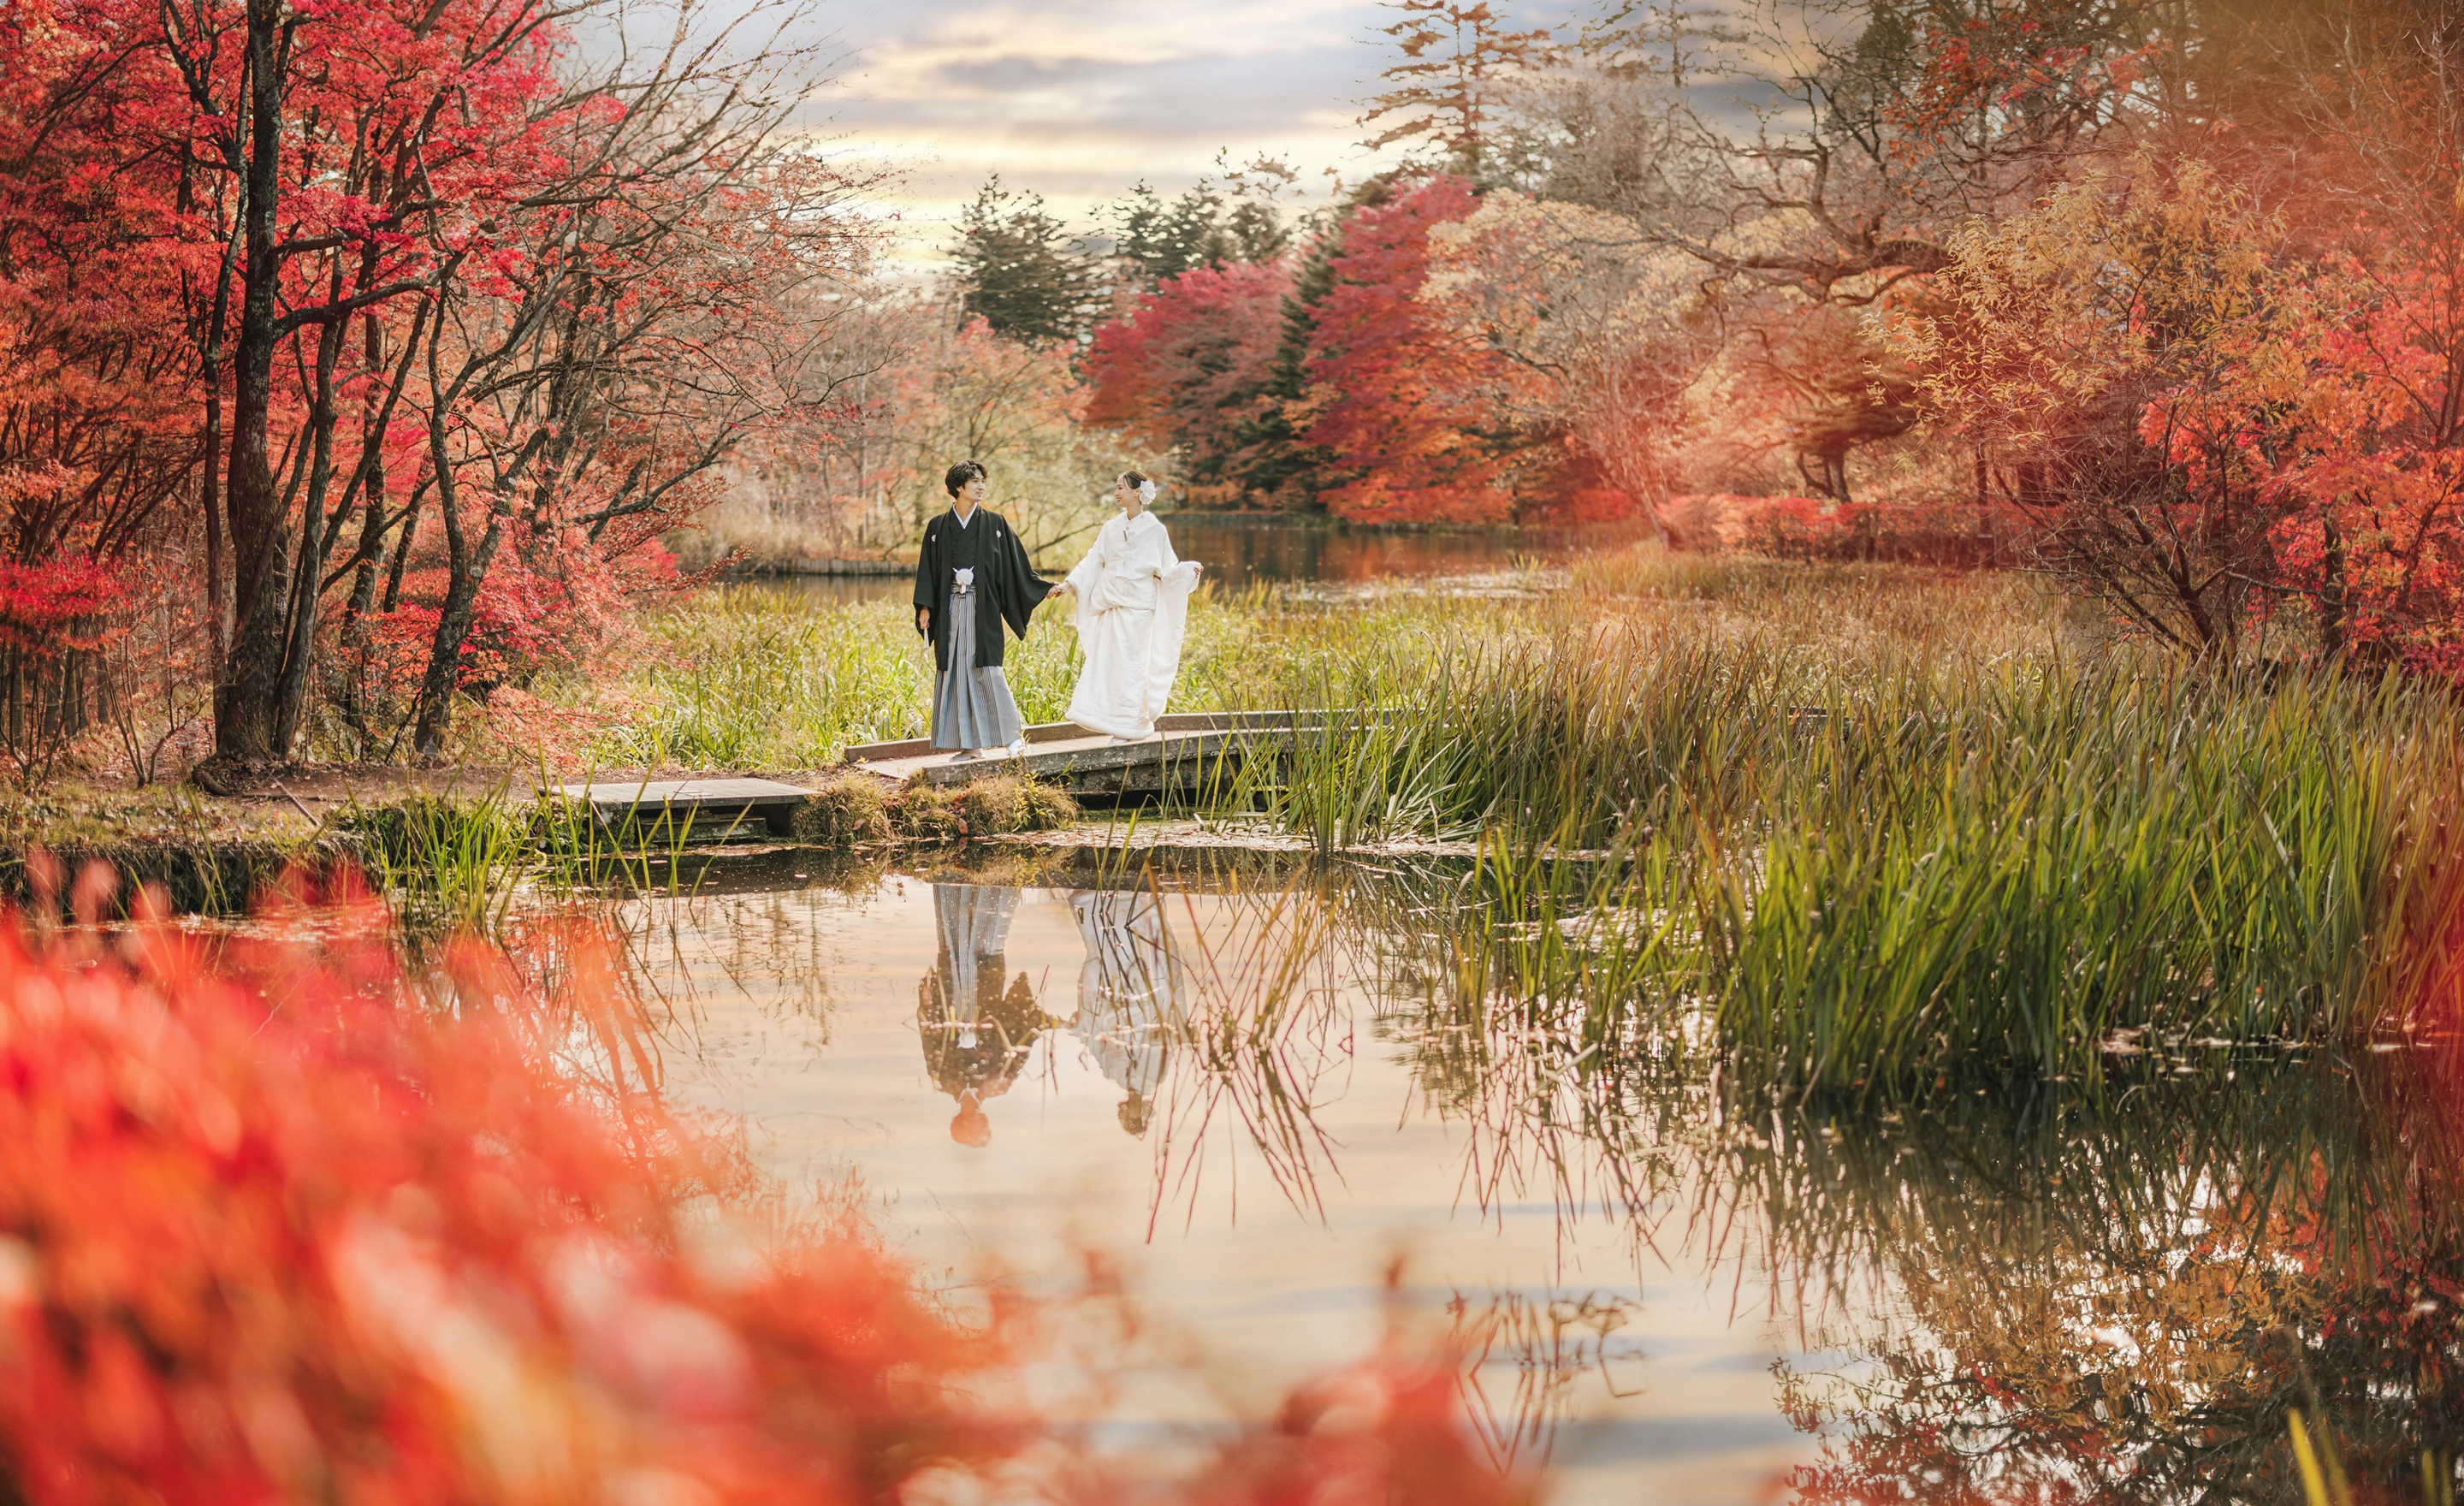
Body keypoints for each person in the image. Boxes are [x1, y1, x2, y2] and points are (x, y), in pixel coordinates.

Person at [913, 460, 1065, 762]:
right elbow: (928, 570)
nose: (981, 486)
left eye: (983, 481)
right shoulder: (937, 526)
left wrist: (1041, 587)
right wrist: (925, 607)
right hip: (950, 610)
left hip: (983, 610)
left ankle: (1013, 737)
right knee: (955, 672)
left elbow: (1015, 566)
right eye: (975, 482)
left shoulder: (995, 524)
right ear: (959, 487)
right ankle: (970, 746)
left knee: (988, 671)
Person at [1057, 471, 1202, 742]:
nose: (1116, 492)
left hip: (1138, 610)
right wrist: (1068, 584)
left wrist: (1188, 571)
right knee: (1110, 666)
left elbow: (1167, 570)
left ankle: (1133, 726)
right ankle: (1113, 724)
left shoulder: (1155, 530)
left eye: (1121, 487)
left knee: (1134, 669)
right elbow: (1093, 560)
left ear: (1138, 492)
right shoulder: (1110, 528)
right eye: (1116, 487)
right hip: (1112, 607)